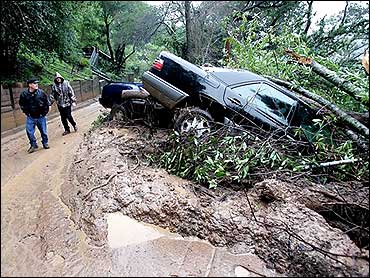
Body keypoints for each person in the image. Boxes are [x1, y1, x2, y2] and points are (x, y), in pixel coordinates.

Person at [19, 77, 50, 153]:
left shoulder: (41, 93)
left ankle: (45, 143)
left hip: (41, 116)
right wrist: (26, 112)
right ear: (30, 85)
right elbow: (22, 104)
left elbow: (47, 103)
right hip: (31, 117)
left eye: (37, 83)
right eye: (34, 83)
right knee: (29, 131)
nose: (36, 85)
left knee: (43, 131)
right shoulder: (24, 94)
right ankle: (33, 145)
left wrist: (44, 113)